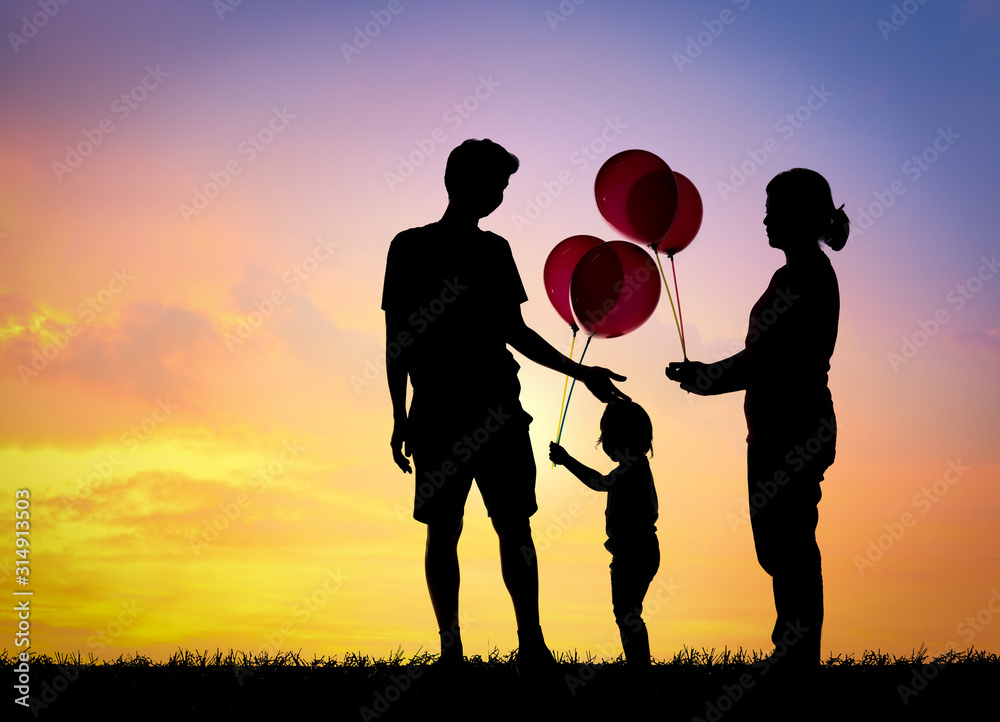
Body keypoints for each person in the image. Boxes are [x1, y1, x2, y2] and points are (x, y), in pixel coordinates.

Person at [382, 138, 628, 672]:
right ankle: (453, 647)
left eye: (504, 185)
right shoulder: (408, 247)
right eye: (494, 182)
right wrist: (399, 414)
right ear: (457, 180)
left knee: (512, 526)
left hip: (497, 409)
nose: (499, 194)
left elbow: (515, 332)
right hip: (445, 410)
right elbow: (396, 338)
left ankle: (530, 643)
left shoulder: (495, 251)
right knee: (447, 528)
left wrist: (580, 371)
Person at [665, 168, 848, 673]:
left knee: (788, 544)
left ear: (801, 216)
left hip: (795, 428)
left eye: (774, 208)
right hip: (775, 428)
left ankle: (796, 661)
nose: (764, 218)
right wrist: (707, 376)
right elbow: (759, 360)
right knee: (779, 544)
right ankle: (793, 654)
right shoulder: (790, 274)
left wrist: (707, 378)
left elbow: (764, 361)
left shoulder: (807, 275)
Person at [548, 400, 659, 666]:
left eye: (606, 436)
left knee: (626, 613)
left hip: (633, 554)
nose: (604, 443)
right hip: (640, 551)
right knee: (628, 612)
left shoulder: (632, 470)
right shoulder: (635, 468)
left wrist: (567, 460)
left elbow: (599, 483)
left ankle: (640, 671)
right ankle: (639, 669)